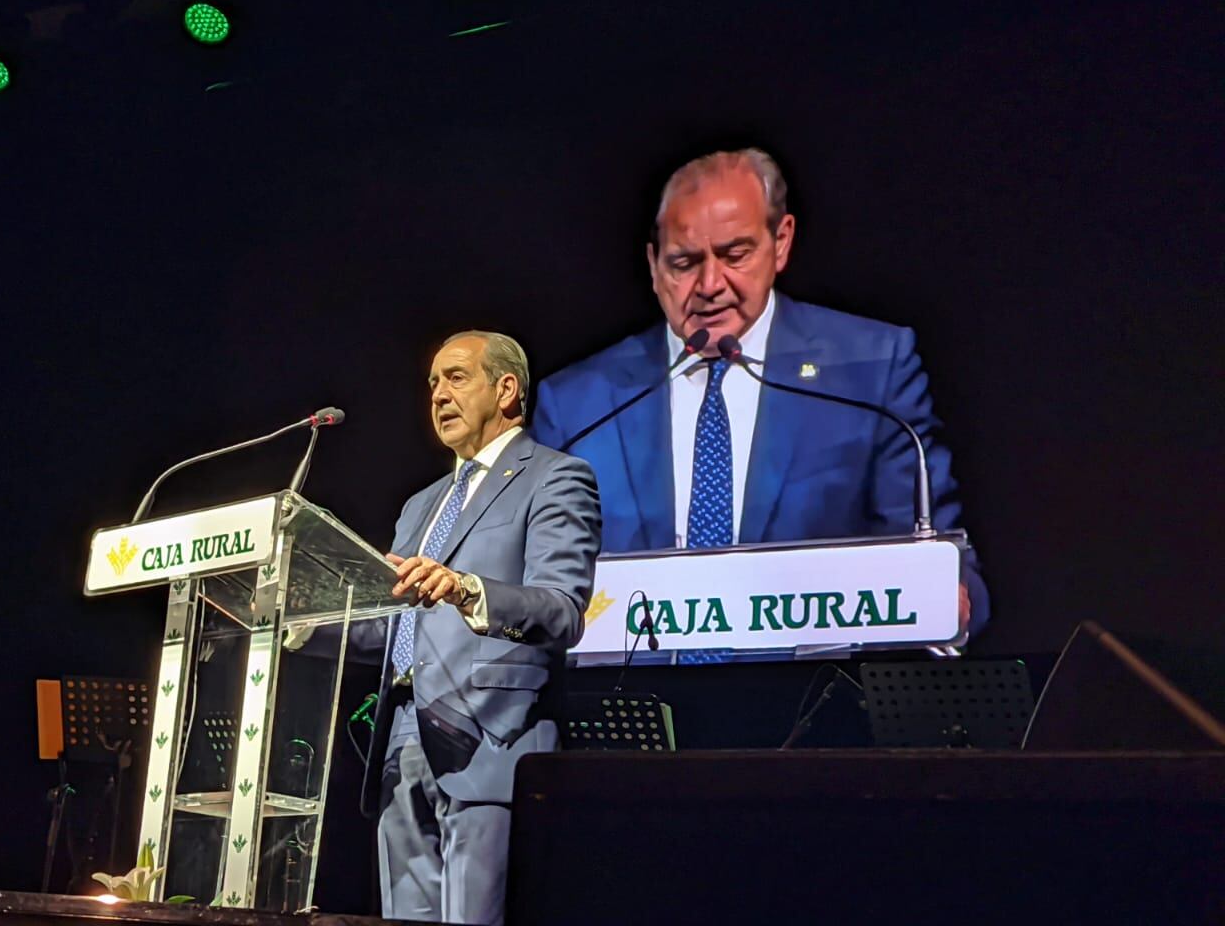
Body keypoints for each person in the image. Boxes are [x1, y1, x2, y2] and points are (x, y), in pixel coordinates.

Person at [528, 148, 988, 635]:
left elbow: (941, 566)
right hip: (633, 698)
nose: (709, 284)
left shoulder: (871, 372)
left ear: (781, 242)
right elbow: (531, 583)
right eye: (684, 262)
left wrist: (944, 596)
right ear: (653, 264)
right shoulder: (578, 406)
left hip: (817, 698)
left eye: (734, 255)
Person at [365, 330, 601, 925]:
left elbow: (561, 609)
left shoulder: (555, 477)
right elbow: (393, 624)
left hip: (490, 739)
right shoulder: (421, 505)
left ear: (506, 389)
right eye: (432, 384)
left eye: (456, 377)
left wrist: (469, 588)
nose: (438, 394)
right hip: (401, 742)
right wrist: (295, 618)